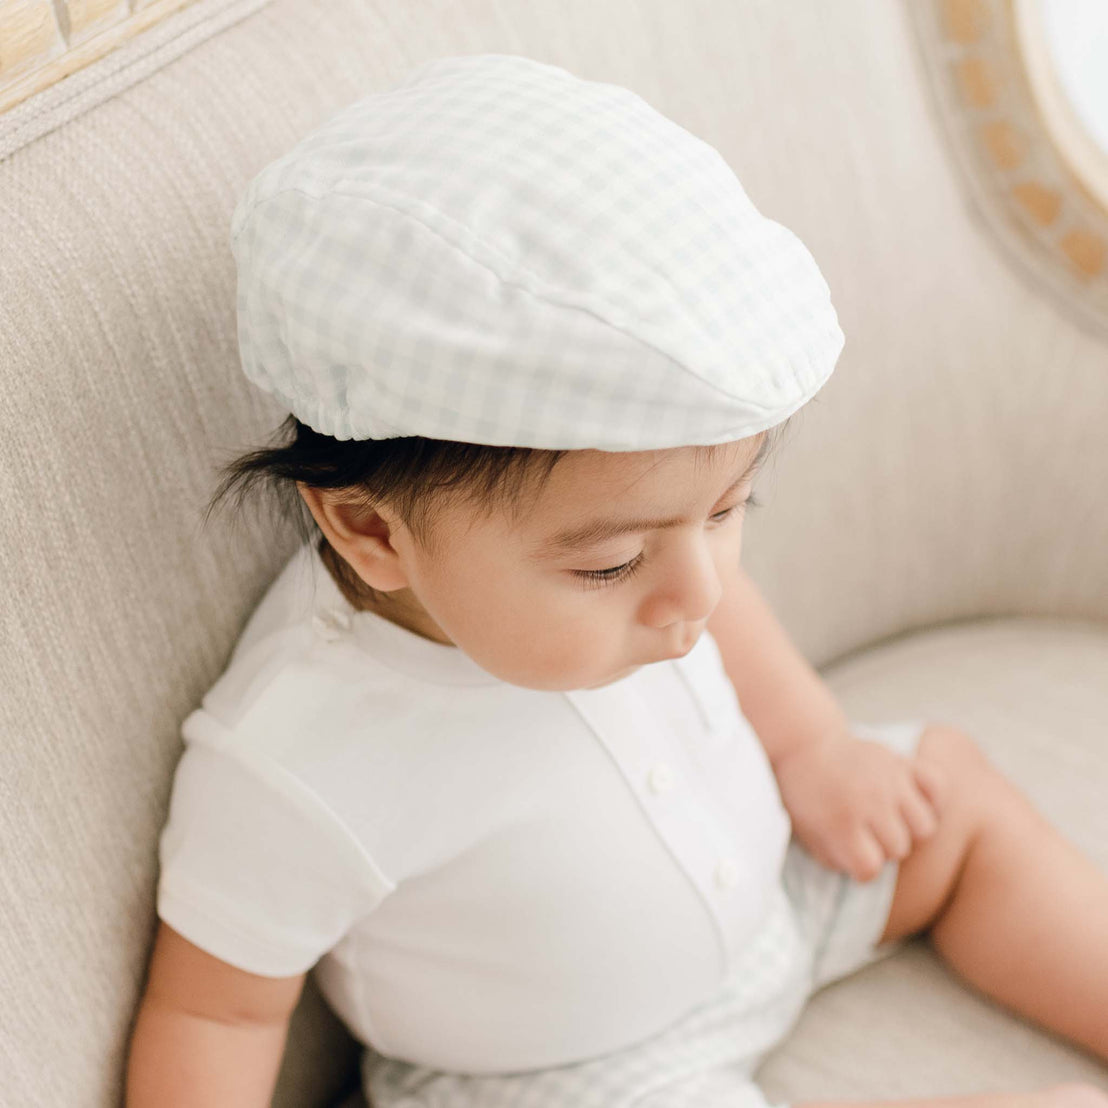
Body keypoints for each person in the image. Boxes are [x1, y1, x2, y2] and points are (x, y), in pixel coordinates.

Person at [124, 53, 1108, 1108]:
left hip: (773, 899)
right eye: (611, 562)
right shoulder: (291, 756)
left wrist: (816, 745)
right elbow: (214, 1012)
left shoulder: (659, 566)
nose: (698, 592)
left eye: (730, 511)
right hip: (565, 1076)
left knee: (944, 785)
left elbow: (713, 604)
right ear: (372, 530)